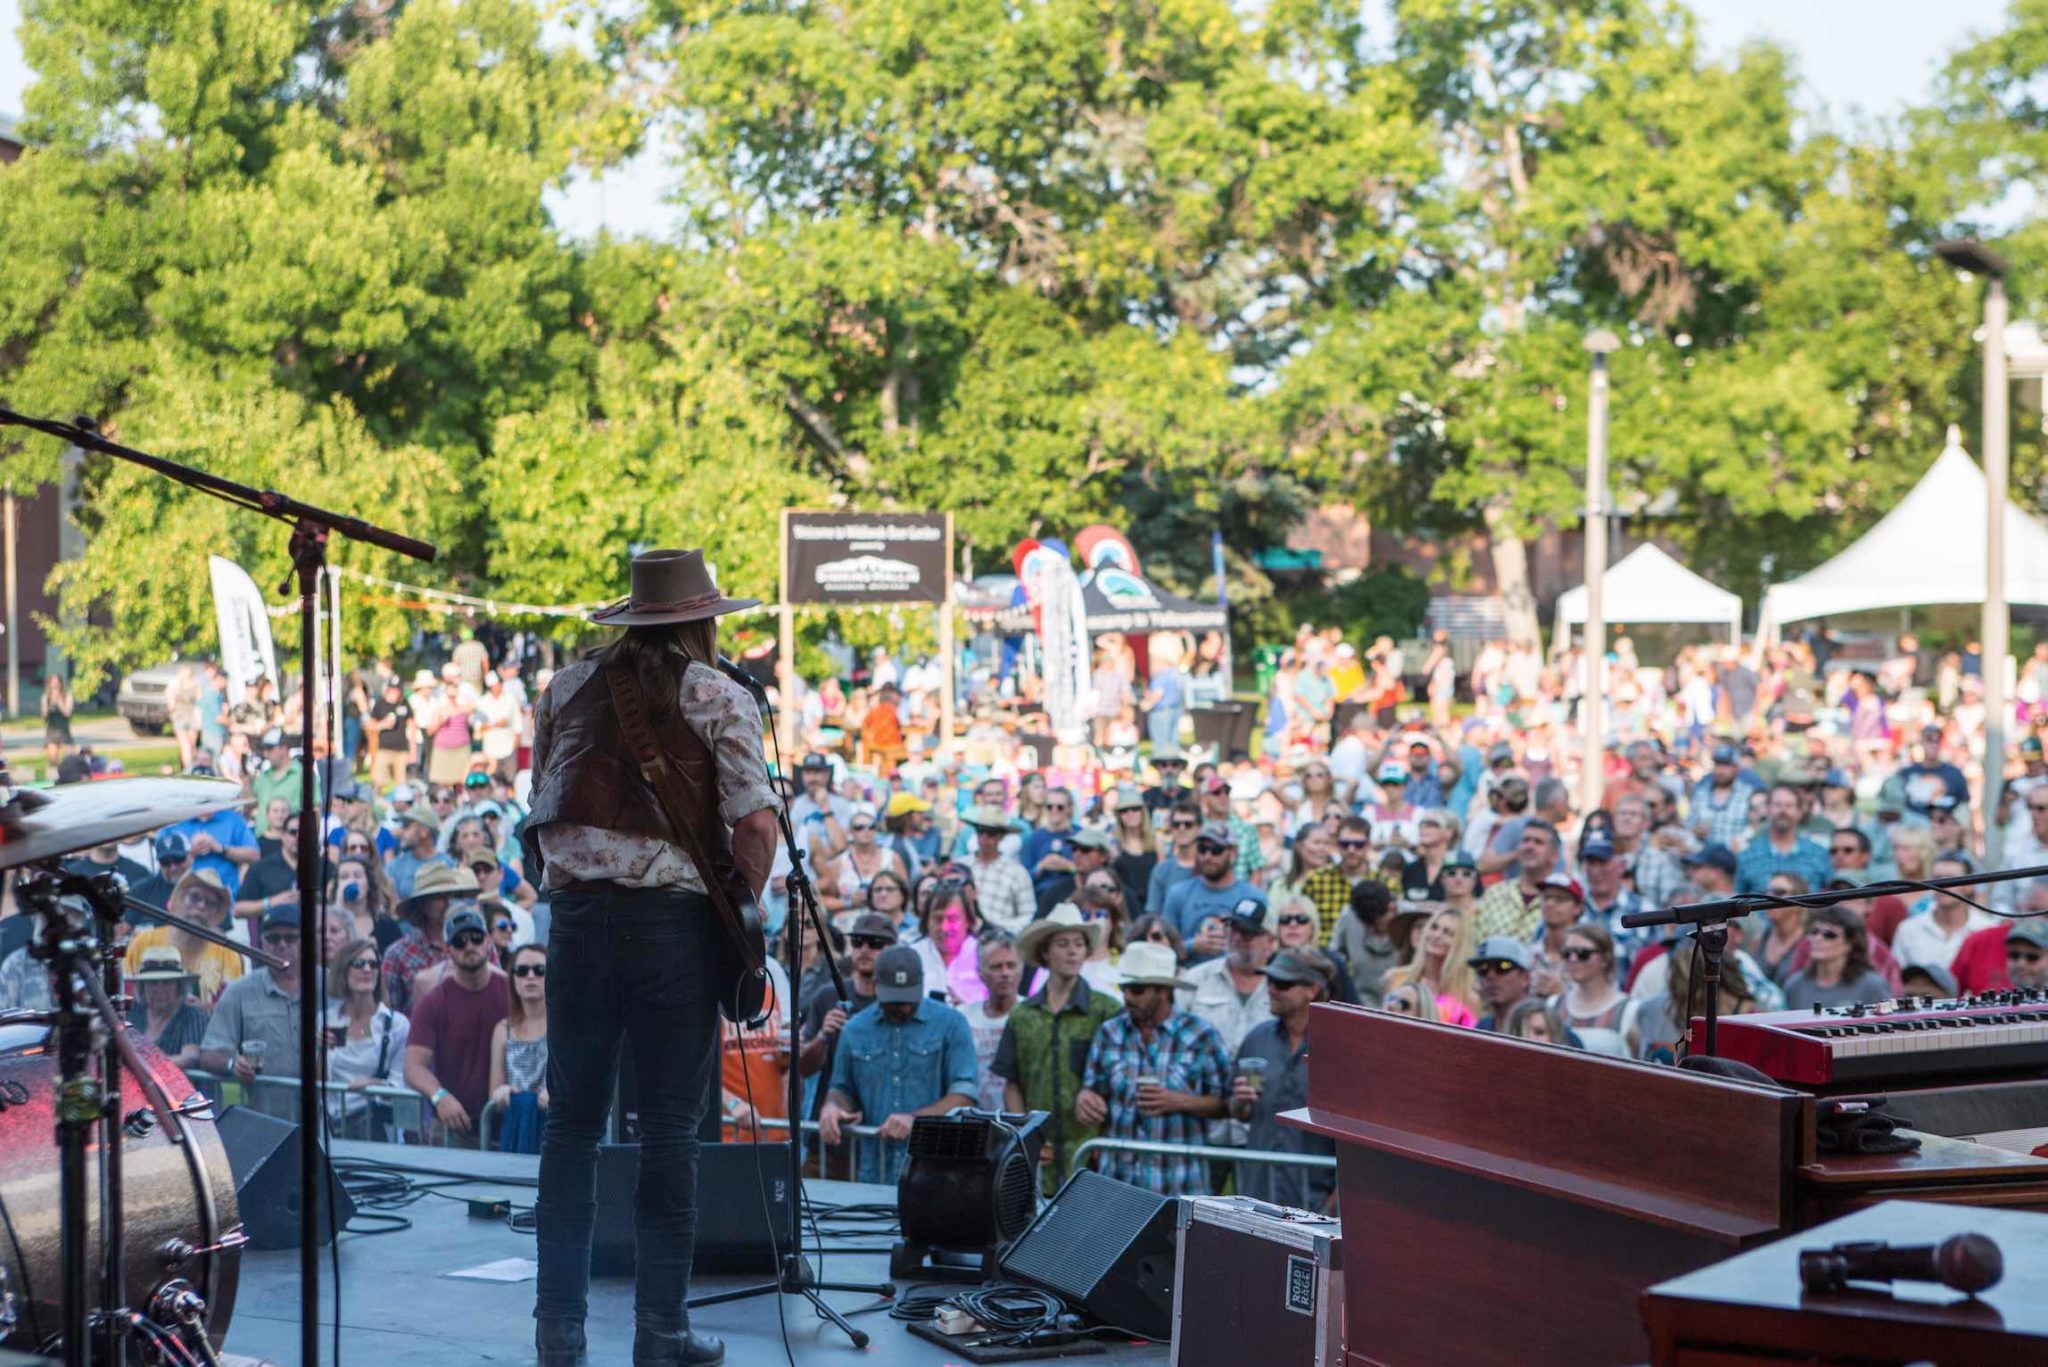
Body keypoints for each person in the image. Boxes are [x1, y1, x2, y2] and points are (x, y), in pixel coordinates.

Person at [524, 548, 778, 1367]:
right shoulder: (719, 693)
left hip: (573, 924)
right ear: (702, 620)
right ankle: (660, 1330)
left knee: (571, 1126)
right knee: (669, 1130)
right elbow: (756, 828)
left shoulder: (564, 687)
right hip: (668, 927)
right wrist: (739, 906)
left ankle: (557, 1328)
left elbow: (542, 804)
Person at [1075, 941, 1232, 1197]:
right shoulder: (1110, 1032)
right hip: (1117, 1179)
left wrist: (1181, 1102)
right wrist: (1086, 1099)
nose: (1127, 997)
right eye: (1124, 988)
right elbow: (1093, 1090)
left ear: (1163, 991)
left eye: (1136, 989)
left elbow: (1227, 1105)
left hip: (1178, 1181)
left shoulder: (1201, 1035)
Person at [819, 946, 979, 1183]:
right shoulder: (855, 1030)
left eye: (910, 998)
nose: (904, 1006)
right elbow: (842, 1087)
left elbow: (964, 1094)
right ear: (876, 987)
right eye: (895, 1000)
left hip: (935, 1172)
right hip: (875, 1170)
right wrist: (832, 1107)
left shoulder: (952, 1023)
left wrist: (916, 1119)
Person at [996, 904, 1122, 1193]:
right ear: (1045, 952)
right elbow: (1012, 1083)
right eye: (1063, 944)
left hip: (1091, 1151)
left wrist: (1106, 1137)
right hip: (1042, 1155)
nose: (1073, 951)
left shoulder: (1106, 1009)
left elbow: (1119, 1081)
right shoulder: (1022, 1015)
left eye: (1079, 944)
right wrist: (1026, 1135)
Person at [1228, 947, 1338, 1211]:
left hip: (1312, 1199)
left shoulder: (1338, 1046)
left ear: (1312, 989)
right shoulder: (1257, 1038)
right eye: (1270, 981)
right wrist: (1240, 1103)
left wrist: (1335, 1201)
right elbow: (1237, 1110)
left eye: (1283, 984)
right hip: (1258, 1194)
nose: (1272, 989)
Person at [404, 904, 509, 1149]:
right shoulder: (434, 1001)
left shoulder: (511, 990)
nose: (469, 946)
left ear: (488, 942)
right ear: (448, 950)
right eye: (460, 942)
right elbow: (412, 1067)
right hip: (454, 1127)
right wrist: (439, 1096)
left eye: (475, 938)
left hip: (507, 1124)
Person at [198, 906, 306, 1113]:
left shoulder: (327, 983)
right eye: (273, 939)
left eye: (291, 938)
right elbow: (210, 1052)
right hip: (267, 1116)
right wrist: (233, 1065)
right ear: (262, 943)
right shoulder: (239, 991)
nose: (282, 945)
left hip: (325, 1118)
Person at [324, 936, 409, 1137]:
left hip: (377, 1129)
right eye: (359, 963)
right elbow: (319, 1081)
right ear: (343, 971)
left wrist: (375, 1086)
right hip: (331, 1126)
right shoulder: (325, 1020)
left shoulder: (396, 1024)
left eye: (373, 964)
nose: (367, 969)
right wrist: (320, 1049)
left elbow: (401, 1082)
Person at [123, 869, 246, 1005]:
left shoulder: (227, 953)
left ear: (217, 914)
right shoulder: (143, 942)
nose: (201, 906)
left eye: (211, 903)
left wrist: (202, 1010)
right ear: (179, 899)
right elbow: (126, 998)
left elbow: (232, 1009)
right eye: (194, 897)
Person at [1160, 823, 1266, 963]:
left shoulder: (1253, 897)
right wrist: (1193, 946)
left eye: (1216, 850)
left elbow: (1264, 949)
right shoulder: (1178, 893)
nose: (1207, 857)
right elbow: (1161, 949)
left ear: (1233, 853)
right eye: (1202, 849)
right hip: (1188, 977)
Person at [381, 864, 479, 1014]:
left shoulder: (479, 943)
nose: (448, 903)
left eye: (453, 895)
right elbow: (389, 1015)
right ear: (422, 905)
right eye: (438, 896)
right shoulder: (397, 954)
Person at [490, 943, 551, 1153]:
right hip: (515, 1130)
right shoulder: (503, 1028)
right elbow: (494, 1092)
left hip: (554, 1134)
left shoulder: (564, 1027)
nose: (531, 976)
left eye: (540, 970)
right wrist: (502, 1093)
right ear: (513, 978)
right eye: (522, 971)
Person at [1892, 855, 1995, 974]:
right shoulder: (1908, 930)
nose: (1943, 885)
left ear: (1968, 886)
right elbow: (1896, 982)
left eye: (1951, 879)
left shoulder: (1987, 928)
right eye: (1937, 878)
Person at [958, 929, 1022, 1112]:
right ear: (980, 972)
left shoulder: (1032, 1016)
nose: (1005, 973)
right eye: (996, 967)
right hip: (974, 1120)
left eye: (1011, 965)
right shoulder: (963, 1017)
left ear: (1021, 968)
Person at [1782, 905, 1890, 1010]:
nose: (1818, 938)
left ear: (1850, 942)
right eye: (1814, 932)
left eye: (1829, 934)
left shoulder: (1872, 986)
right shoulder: (1795, 985)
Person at [1551, 924, 1634, 1057]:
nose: (1572, 959)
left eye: (1582, 953)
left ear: (1605, 959)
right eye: (1567, 953)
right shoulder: (1554, 1003)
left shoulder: (1628, 1009)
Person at [1473, 821, 1563, 943]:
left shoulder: (1561, 902)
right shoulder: (1494, 893)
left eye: (1538, 842)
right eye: (1525, 840)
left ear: (1554, 856)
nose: (1529, 846)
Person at [1735, 785, 1833, 895]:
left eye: (1789, 805)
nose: (1783, 810)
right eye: (1777, 805)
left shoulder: (1819, 855)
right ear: (1767, 810)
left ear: (1799, 812)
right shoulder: (1747, 856)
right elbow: (1737, 899)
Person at [126, 946, 209, 1068]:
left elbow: (190, 1058)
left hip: (180, 1086)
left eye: (167, 982)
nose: (160, 990)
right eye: (153, 983)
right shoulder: (133, 1011)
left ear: (179, 986)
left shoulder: (192, 1015)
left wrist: (145, 1066)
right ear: (142, 987)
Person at [961, 806, 1034, 935]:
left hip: (998, 938)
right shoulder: (962, 866)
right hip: (962, 934)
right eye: (981, 831)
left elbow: (1027, 914)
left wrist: (1003, 931)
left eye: (991, 833)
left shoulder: (1017, 873)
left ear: (1001, 836)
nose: (984, 837)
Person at [1469, 936, 1538, 1032]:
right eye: (1483, 969)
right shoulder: (1483, 1027)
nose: (1490, 975)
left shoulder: (1545, 1027)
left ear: (1525, 978)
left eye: (1502, 967)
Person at [1109, 785, 1158, 913]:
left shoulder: (1156, 842)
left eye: (1135, 809)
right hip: (1124, 909)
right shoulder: (1113, 844)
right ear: (1119, 816)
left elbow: (1161, 878)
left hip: (1151, 907)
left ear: (1143, 812)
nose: (1130, 814)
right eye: (1124, 810)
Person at [40, 671, 72, 771]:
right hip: (52, 731)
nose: (54, 685)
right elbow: (44, 717)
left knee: (70, 759)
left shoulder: (67, 696)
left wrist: (59, 701)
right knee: (53, 761)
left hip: (64, 730)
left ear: (61, 684)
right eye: (52, 683)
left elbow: (67, 713)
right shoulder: (46, 697)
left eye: (56, 682)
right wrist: (49, 705)